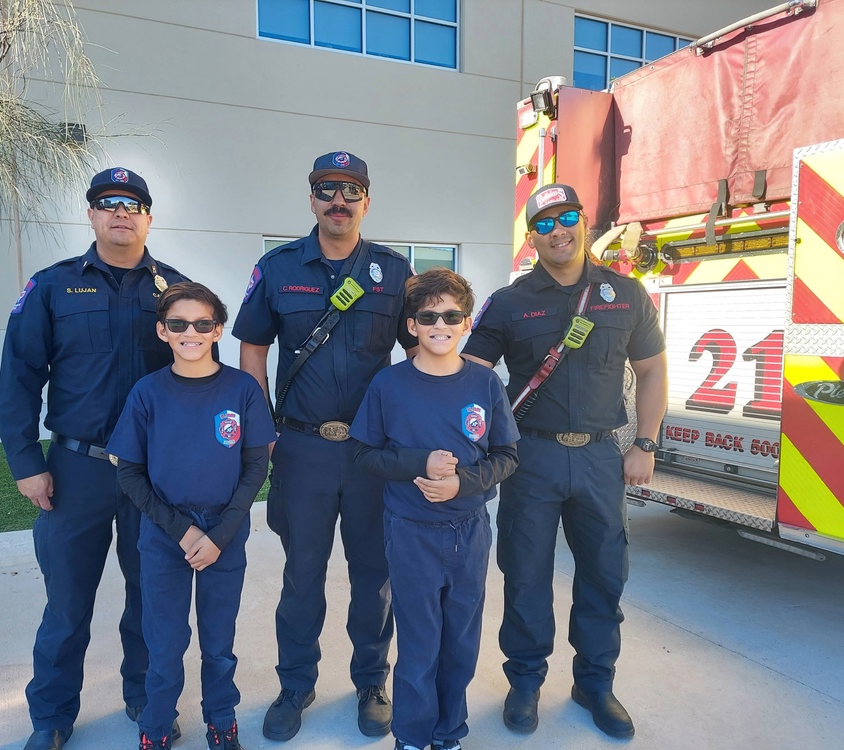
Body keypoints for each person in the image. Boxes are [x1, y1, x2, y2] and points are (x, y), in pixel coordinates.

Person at [461, 183, 667, 740]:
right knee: (525, 575)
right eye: (545, 223)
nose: (559, 231)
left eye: (568, 217)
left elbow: (651, 370)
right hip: (530, 459)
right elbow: (470, 375)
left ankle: (594, 684)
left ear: (584, 222)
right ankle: (525, 682)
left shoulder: (626, 294)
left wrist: (645, 444)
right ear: (532, 237)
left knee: (604, 575)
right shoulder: (508, 302)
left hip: (602, 458)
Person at [0, 167, 188, 750]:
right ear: (91, 215)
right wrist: (26, 463)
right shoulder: (53, 286)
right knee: (67, 603)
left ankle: (147, 700)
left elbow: (198, 380)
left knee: (150, 597)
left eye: (133, 203)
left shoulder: (177, 292)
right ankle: (51, 717)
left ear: (148, 218)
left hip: (152, 473)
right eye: (108, 202)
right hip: (74, 471)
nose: (121, 212)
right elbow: (19, 377)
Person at [233, 151, 418, 742]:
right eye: (327, 189)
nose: (339, 200)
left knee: (374, 575)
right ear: (311, 199)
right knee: (302, 574)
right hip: (302, 450)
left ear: (367, 200)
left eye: (351, 190)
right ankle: (295, 684)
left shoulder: (394, 271)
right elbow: (254, 348)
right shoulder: (278, 267)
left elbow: (418, 354)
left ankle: (371, 681)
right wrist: (261, 427)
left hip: (372, 453)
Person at [350, 268, 520, 750]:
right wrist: (417, 463)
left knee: (461, 641)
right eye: (428, 316)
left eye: (451, 315)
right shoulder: (389, 384)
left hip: (469, 530)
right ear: (412, 325)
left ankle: (448, 733)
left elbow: (507, 456)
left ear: (466, 323)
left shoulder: (485, 384)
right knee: (420, 641)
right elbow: (363, 454)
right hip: (411, 530)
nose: (439, 325)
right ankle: (411, 734)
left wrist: (464, 483)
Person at [107, 281, 276, 750]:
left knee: (218, 644)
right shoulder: (148, 392)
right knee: (164, 644)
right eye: (178, 324)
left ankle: (221, 719)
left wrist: (219, 534)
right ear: (163, 330)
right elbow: (129, 473)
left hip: (225, 531)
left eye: (203, 324)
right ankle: (157, 724)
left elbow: (255, 468)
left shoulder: (241, 389)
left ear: (218, 330)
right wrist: (182, 532)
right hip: (165, 534)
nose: (191, 333)